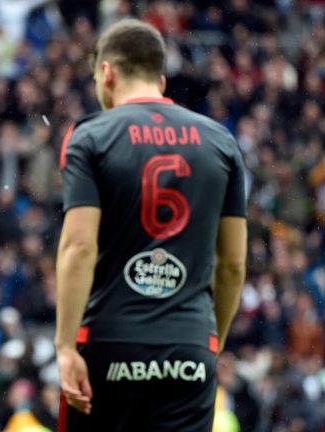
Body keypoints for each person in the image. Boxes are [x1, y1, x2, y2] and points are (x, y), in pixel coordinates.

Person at [54, 19, 247, 432]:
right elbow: (232, 263)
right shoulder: (221, 141)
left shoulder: (90, 135)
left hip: (109, 341)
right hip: (189, 344)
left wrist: (65, 346)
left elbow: (79, 248)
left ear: (106, 72)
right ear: (160, 78)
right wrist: (211, 341)